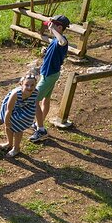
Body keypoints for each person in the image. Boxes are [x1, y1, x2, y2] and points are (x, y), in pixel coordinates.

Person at [30, 14, 70, 142]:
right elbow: (55, 49)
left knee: (33, 99)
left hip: (49, 75)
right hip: (49, 73)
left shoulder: (62, 40)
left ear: (59, 27)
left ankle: (41, 130)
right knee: (45, 99)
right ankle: (38, 123)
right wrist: (46, 52)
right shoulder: (55, 40)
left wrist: (53, 30)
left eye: (51, 26)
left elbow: (62, 42)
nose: (49, 29)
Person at [0, 73, 39, 157]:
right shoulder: (16, 94)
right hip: (12, 108)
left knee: (19, 128)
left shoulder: (36, 92)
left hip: (26, 108)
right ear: (21, 84)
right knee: (8, 125)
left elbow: (34, 105)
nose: (29, 87)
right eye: (26, 85)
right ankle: (9, 143)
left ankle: (16, 148)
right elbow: (8, 109)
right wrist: (6, 121)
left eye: (32, 85)